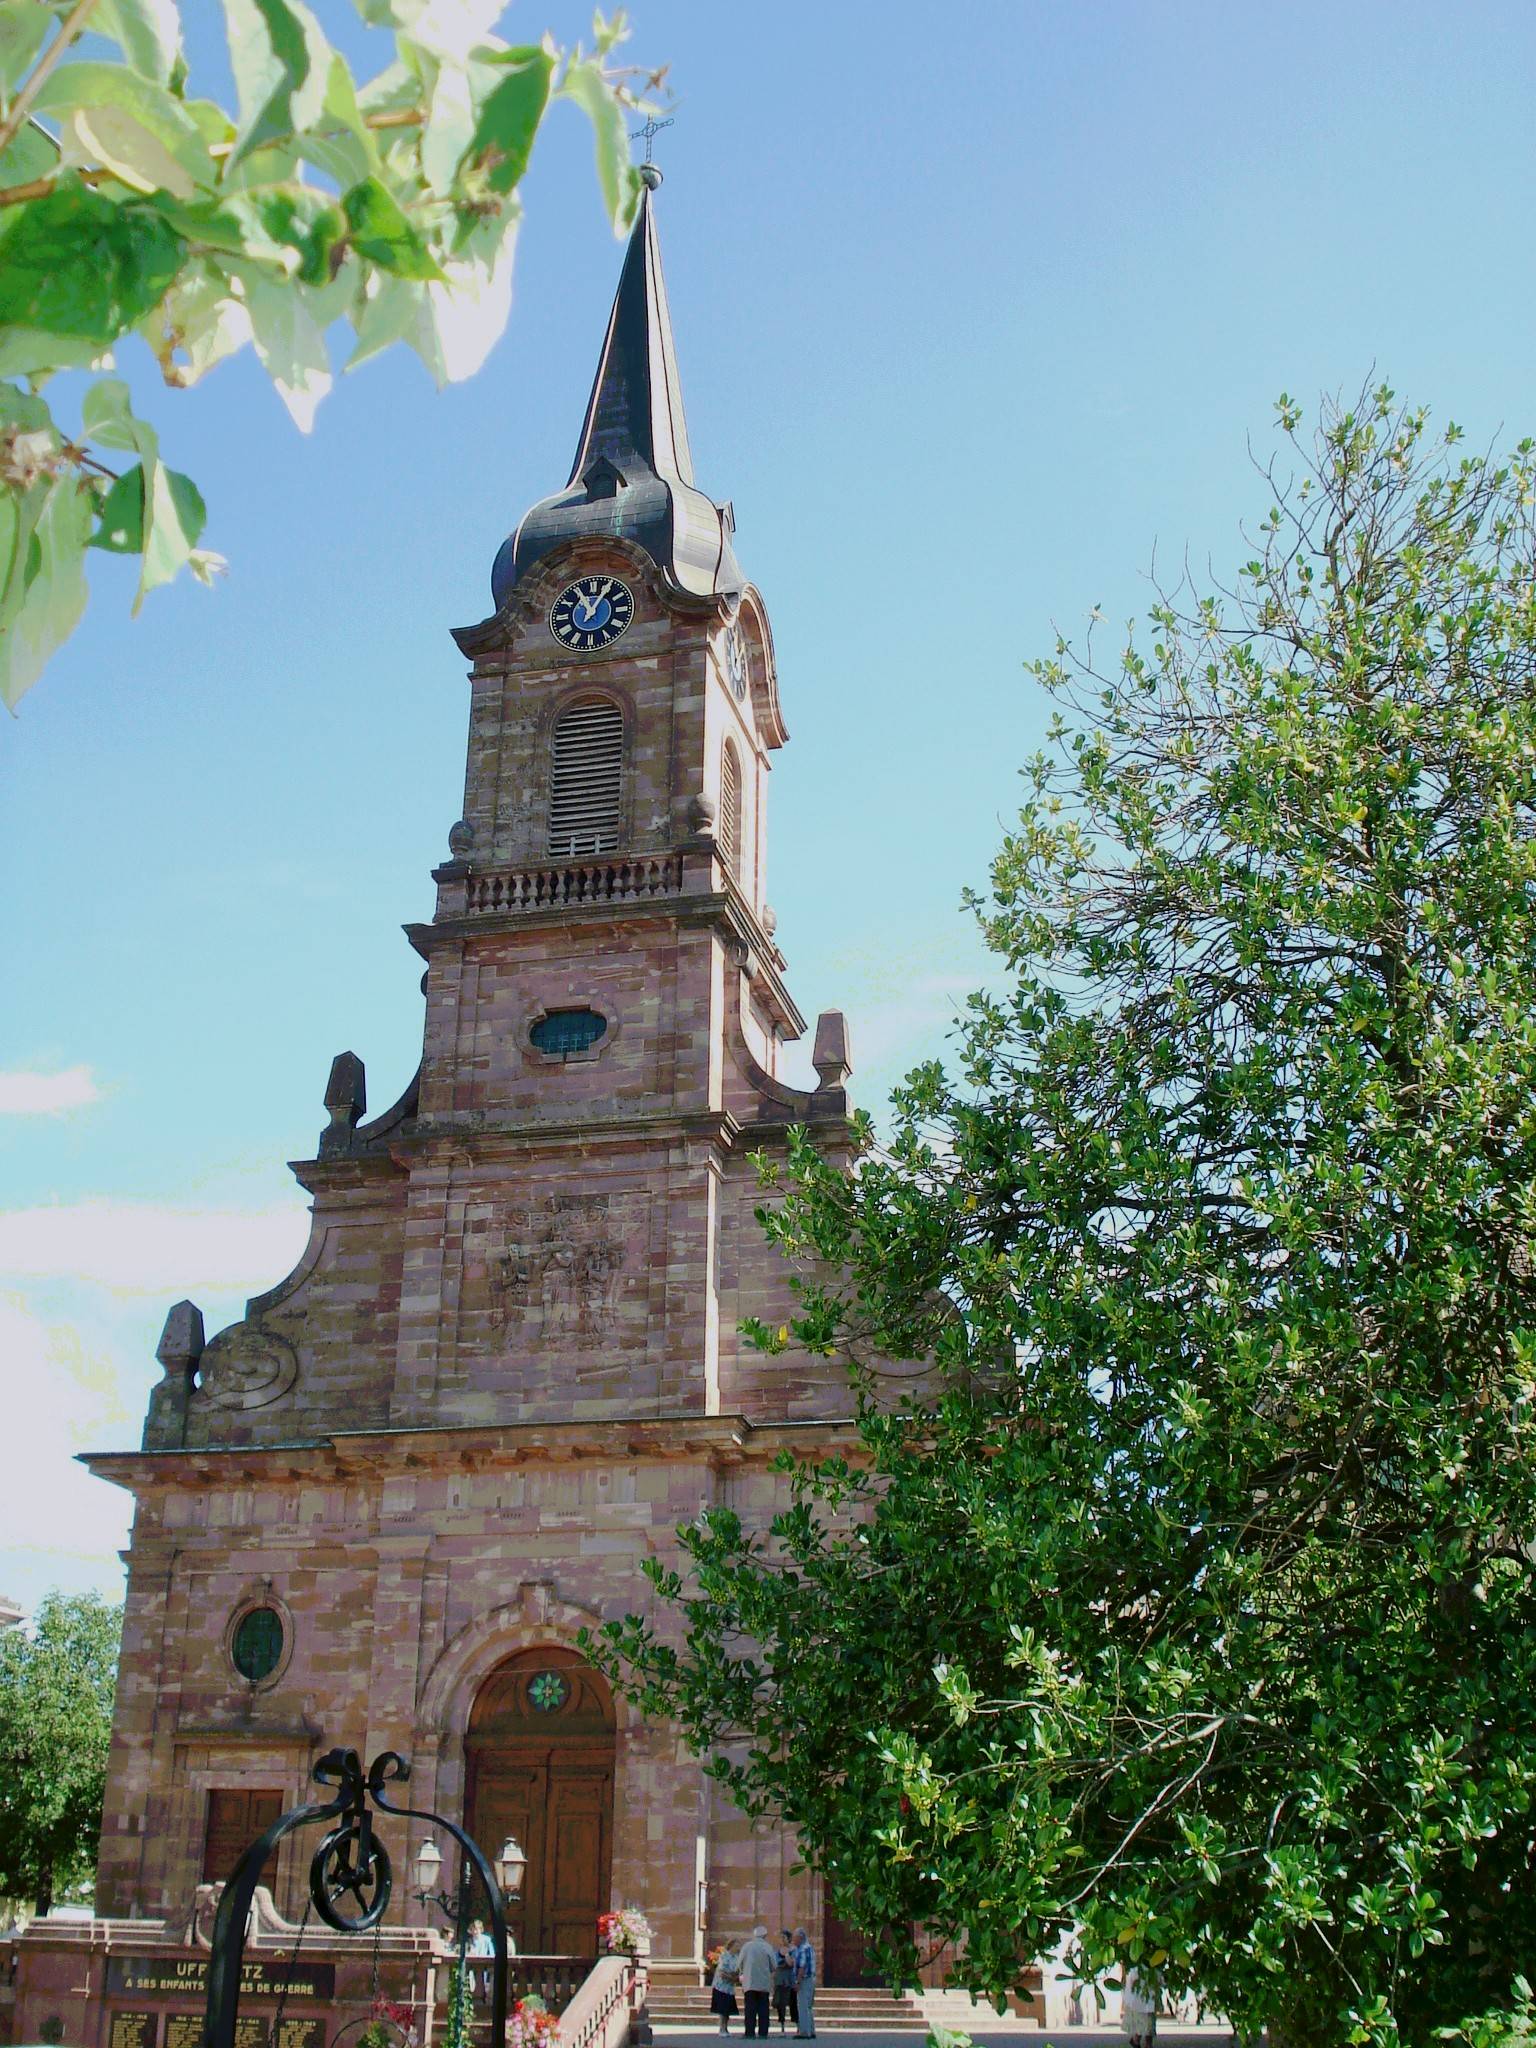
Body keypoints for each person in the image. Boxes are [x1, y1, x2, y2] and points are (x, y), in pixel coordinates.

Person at [737, 1925, 778, 2039]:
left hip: (749, 1982)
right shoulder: (768, 1947)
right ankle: (763, 2032)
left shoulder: (747, 1946)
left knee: (750, 2008)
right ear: (765, 1936)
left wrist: (742, 1972)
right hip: (763, 1982)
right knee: (763, 2008)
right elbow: (774, 1965)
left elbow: (739, 1963)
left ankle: (749, 2032)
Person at [1120, 1964, 1156, 2048]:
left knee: (1148, 2027)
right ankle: (1138, 2042)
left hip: (1148, 2002)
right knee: (1143, 2026)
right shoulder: (1135, 1969)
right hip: (1139, 2003)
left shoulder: (1153, 1969)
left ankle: (1144, 2044)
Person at [711, 1940, 742, 2035]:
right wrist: (732, 1977)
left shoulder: (737, 1957)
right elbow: (721, 1971)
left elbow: (738, 1970)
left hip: (730, 1987)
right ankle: (721, 2028)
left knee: (728, 2009)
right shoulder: (724, 1956)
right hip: (721, 1986)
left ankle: (726, 2027)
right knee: (722, 2009)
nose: (738, 1948)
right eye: (736, 1945)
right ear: (731, 1946)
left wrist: (736, 1977)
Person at [790, 1926, 816, 2040]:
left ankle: (804, 2032)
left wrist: (797, 1981)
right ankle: (811, 2030)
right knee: (809, 2006)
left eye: (794, 1937)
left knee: (803, 2006)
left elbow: (802, 1966)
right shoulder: (809, 1947)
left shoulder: (802, 1949)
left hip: (804, 1980)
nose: (792, 1940)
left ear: (800, 1937)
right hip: (811, 1979)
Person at [465, 1917, 495, 2002]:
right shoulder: (469, 1940)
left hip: (483, 1963)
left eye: (477, 1929)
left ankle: (482, 1998)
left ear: (481, 1929)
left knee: (482, 1981)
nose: (475, 1931)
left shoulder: (486, 1940)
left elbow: (491, 1953)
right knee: (471, 1982)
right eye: (473, 1929)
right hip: (472, 1963)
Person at [772, 1933, 797, 2035]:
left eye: (784, 1938)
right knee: (780, 2003)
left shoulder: (794, 1951)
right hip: (780, 1980)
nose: (782, 1940)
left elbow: (791, 1963)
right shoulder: (776, 1951)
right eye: (780, 1937)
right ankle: (782, 2025)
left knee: (793, 2002)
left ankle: (797, 2024)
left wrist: (786, 1955)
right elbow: (775, 1964)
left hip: (790, 1980)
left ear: (789, 1939)